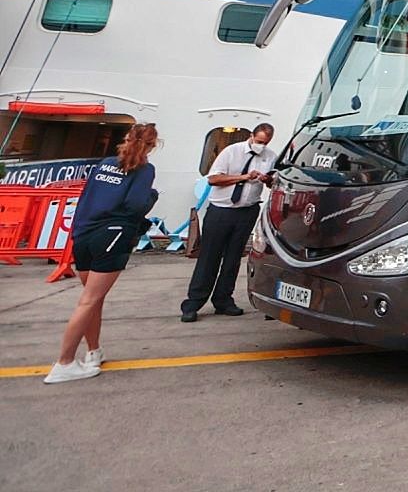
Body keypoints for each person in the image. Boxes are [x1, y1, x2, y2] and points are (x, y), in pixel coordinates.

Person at [44, 124, 160, 383]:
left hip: (84, 232)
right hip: (113, 234)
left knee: (92, 299)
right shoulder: (144, 170)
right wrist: (152, 196)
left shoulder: (105, 163)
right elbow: (135, 205)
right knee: (89, 300)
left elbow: (86, 196)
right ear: (152, 145)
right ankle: (64, 362)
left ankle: (93, 351)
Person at [181, 122, 275, 322]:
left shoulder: (269, 157)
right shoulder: (231, 152)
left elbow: (271, 183)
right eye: (259, 141)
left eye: (265, 143)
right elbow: (213, 179)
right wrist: (243, 177)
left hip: (247, 211)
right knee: (209, 257)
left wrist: (267, 179)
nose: (261, 146)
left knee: (233, 258)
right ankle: (194, 302)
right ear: (251, 136)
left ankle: (223, 299)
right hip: (222, 210)